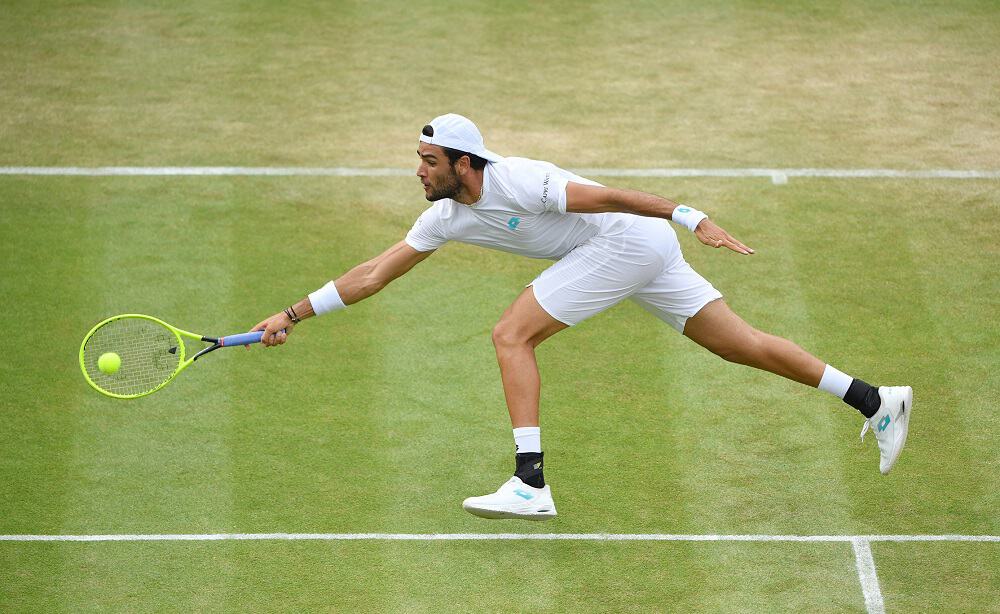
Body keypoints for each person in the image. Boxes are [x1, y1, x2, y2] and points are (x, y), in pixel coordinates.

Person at [251, 113, 912, 520]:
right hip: (634, 254)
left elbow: (611, 195)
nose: (418, 172)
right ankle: (875, 400)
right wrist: (291, 312)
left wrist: (691, 216)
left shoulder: (524, 180)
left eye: (429, 162)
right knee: (741, 345)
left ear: (464, 162)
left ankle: (529, 481)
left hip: (626, 240)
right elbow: (372, 274)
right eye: (419, 161)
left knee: (511, 333)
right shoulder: (444, 216)